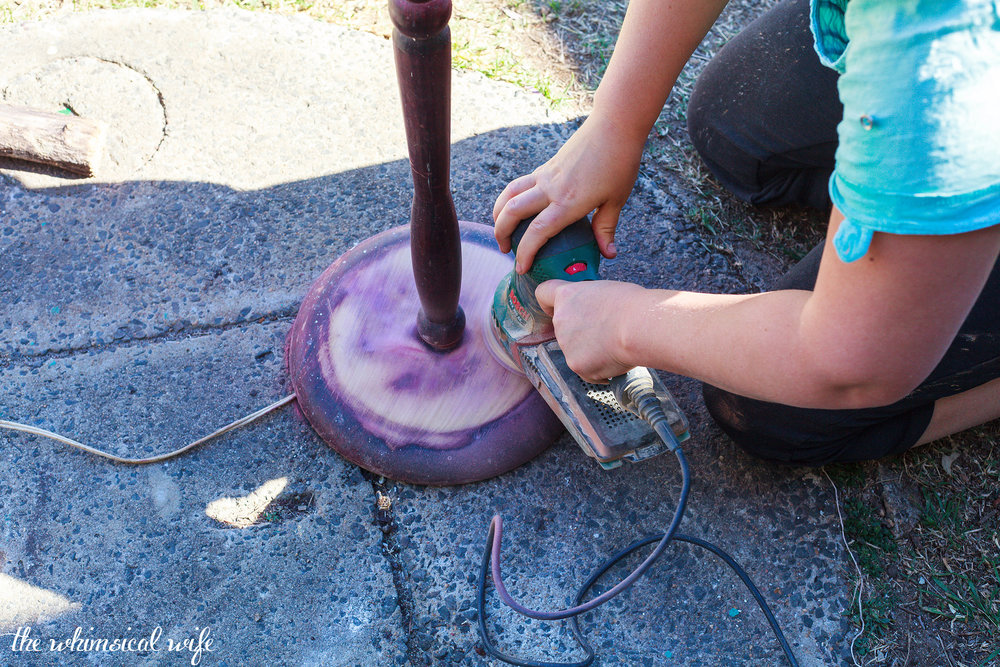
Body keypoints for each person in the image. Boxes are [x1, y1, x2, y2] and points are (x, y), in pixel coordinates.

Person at [492, 0, 1000, 466]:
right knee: (732, 131)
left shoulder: (945, 66)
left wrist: (624, 324)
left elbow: (849, 365)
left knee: (769, 405)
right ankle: (911, 215)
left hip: (957, 87)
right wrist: (615, 123)